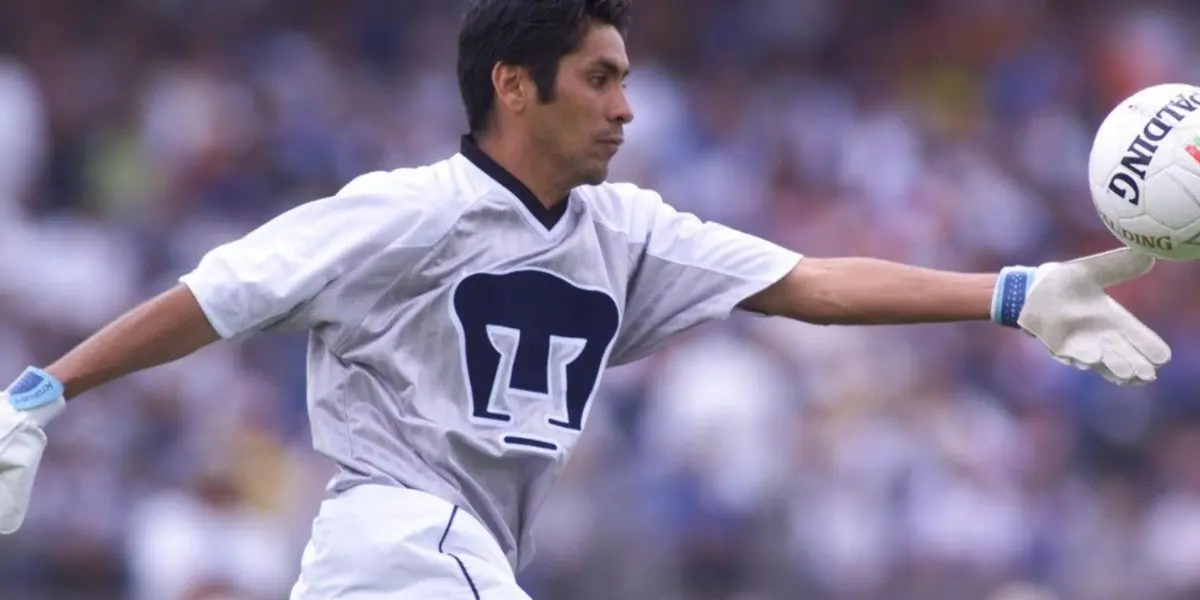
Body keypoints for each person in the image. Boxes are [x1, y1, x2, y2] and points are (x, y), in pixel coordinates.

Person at [0, 0, 1171, 598]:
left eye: (627, 79)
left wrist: (1012, 293)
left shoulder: (628, 230)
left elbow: (808, 284)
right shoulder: (405, 210)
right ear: (514, 86)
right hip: (404, 544)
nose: (624, 106)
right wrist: (41, 394)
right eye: (599, 78)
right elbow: (216, 294)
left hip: (431, 561)